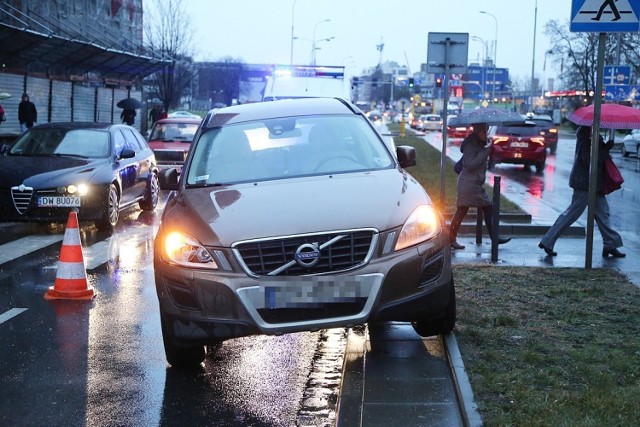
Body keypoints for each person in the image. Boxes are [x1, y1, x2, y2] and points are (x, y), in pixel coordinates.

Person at [539, 126, 625, 258]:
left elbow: (595, 156)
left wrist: (605, 147)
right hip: (585, 184)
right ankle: (548, 241)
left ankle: (610, 245)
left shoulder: (593, 136)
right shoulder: (585, 138)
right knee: (571, 214)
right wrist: (605, 151)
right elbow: (588, 160)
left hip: (595, 184)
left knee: (603, 214)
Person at [449, 122, 511, 250]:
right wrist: (486, 150)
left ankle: (494, 237)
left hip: (475, 184)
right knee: (465, 210)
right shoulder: (470, 145)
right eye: (483, 131)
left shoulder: (481, 143)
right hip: (468, 184)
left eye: (486, 131)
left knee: (484, 209)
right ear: (477, 132)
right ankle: (451, 239)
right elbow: (471, 164)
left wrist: (490, 148)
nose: (485, 133)